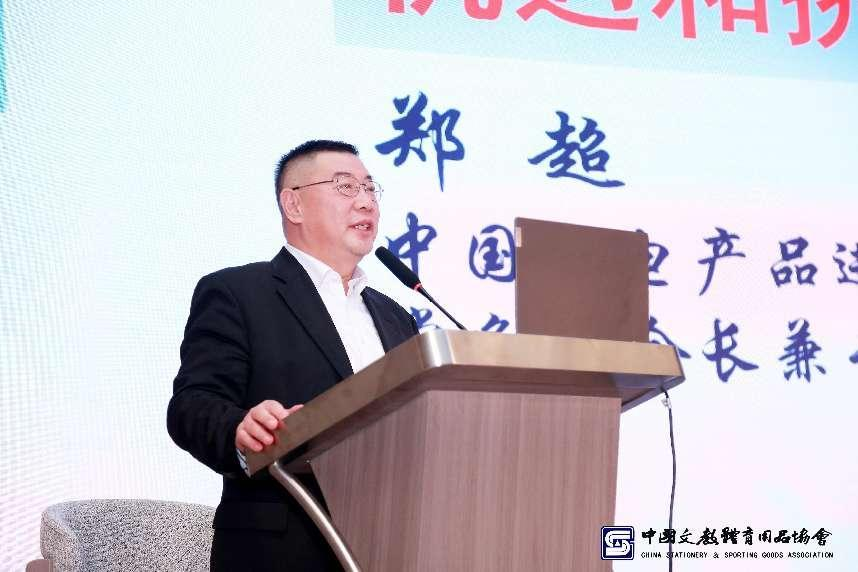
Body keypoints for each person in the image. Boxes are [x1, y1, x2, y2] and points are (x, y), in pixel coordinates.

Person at [167, 140, 419, 571]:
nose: (365, 201)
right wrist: (239, 428)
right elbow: (191, 405)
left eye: (369, 188)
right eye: (345, 186)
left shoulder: (396, 317)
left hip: (391, 547)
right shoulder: (238, 293)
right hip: (284, 551)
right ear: (293, 205)